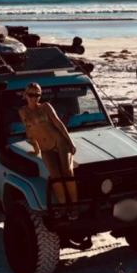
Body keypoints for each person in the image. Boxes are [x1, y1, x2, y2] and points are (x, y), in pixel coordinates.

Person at [18, 82, 80, 219]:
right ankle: (63, 207)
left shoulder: (46, 107)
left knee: (67, 172)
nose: (34, 98)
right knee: (55, 176)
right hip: (46, 148)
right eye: (31, 94)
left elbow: (58, 123)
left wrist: (70, 142)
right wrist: (36, 150)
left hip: (60, 142)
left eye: (37, 95)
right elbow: (30, 132)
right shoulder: (22, 111)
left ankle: (75, 207)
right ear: (25, 95)